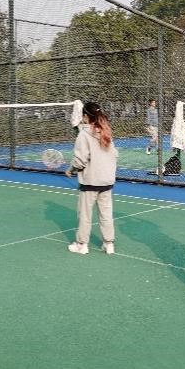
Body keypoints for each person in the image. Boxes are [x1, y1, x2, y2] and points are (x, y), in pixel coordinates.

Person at [65, 102, 118, 255]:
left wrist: (71, 169)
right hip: (107, 181)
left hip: (91, 181)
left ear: (85, 116)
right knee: (106, 214)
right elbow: (115, 154)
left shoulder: (83, 134)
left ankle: (82, 245)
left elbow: (80, 160)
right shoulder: (106, 131)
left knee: (85, 214)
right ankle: (109, 244)